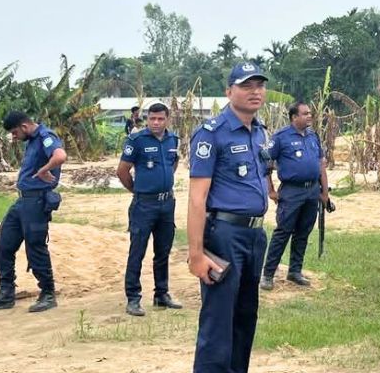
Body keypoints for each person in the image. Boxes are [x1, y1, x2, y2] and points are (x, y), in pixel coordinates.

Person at [187, 61, 274, 373]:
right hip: (224, 234)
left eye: (259, 85)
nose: (255, 92)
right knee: (218, 320)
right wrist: (195, 254)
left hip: (254, 235)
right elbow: (197, 199)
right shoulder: (212, 134)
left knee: (245, 315)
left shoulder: (261, 132)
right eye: (246, 85)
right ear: (228, 92)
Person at [0, 111, 67, 313]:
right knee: (4, 244)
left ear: (24, 127)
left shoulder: (46, 137)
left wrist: (45, 170)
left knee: (35, 247)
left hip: (36, 201)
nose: (14, 137)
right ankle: (6, 293)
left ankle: (48, 293)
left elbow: (60, 156)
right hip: (23, 201)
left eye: (15, 132)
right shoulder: (32, 141)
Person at [117, 102, 183, 316]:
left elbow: (173, 164)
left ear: (167, 119)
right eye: (152, 119)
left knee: (163, 251)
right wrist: (136, 190)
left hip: (167, 204)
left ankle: (161, 294)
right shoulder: (136, 140)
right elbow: (122, 171)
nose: (156, 123)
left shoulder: (173, 140)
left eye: (160, 119)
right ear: (147, 119)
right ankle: (133, 298)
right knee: (137, 251)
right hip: (144, 204)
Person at [260, 101, 330, 290]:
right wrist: (271, 190)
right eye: (305, 113)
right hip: (291, 191)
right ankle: (267, 274)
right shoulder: (281, 137)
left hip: (312, 190)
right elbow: (266, 163)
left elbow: (320, 164)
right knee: (283, 232)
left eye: (310, 113)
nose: (310, 116)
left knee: (303, 232)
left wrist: (324, 191)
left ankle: (295, 271)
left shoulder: (313, 136)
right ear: (294, 117)